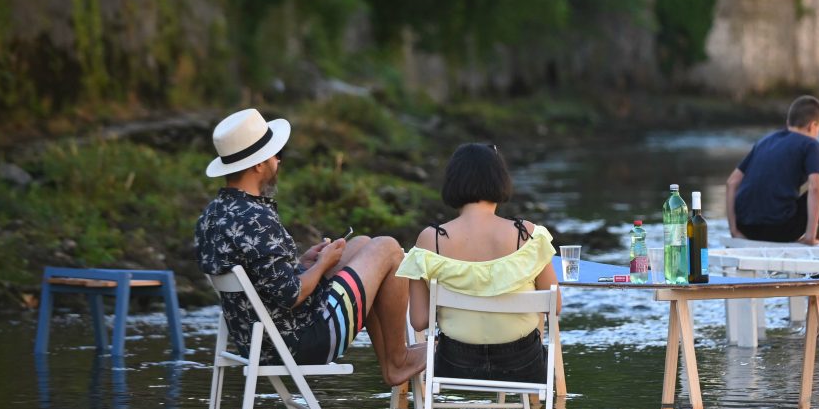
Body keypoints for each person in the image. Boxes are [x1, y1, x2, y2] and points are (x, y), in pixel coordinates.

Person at [194, 108, 425, 385]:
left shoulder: (212, 214)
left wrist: (303, 263)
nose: (278, 161)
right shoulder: (257, 219)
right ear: (258, 165)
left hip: (257, 341)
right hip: (300, 341)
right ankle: (397, 360)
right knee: (387, 248)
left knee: (362, 244)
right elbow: (291, 296)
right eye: (275, 155)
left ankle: (391, 360)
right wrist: (324, 264)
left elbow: (263, 279)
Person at [400, 143, 559, 385]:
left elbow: (419, 320)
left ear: (453, 183)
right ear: (500, 181)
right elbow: (554, 305)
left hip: (454, 364)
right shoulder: (527, 235)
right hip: (523, 365)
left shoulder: (430, 240)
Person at [726, 95, 819, 245]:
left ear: (788, 122)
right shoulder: (810, 144)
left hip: (745, 229)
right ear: (812, 126)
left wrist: (734, 230)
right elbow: (815, 188)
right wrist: (809, 235)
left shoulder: (765, 140)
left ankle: (814, 240)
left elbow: (732, 182)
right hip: (779, 229)